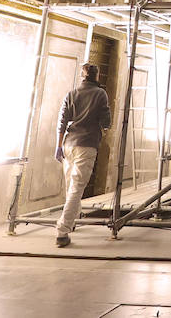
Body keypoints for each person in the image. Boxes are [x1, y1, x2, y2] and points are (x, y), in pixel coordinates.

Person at [54, 62, 112, 247]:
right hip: (87, 145)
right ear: (97, 76)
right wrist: (103, 129)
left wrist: (59, 145)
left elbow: (62, 120)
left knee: (71, 185)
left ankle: (73, 219)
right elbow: (106, 121)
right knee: (77, 187)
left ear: (82, 76)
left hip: (69, 144)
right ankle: (62, 231)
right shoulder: (100, 94)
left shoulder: (71, 94)